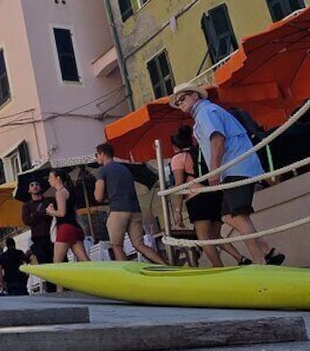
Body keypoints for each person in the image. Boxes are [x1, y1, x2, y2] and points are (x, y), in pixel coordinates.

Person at [170, 83, 285, 265]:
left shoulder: (205, 112)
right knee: (227, 215)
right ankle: (267, 251)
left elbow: (217, 139)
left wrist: (215, 170)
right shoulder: (206, 113)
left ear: (195, 96)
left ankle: (260, 261)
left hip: (235, 167)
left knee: (238, 215)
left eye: (182, 99)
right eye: (177, 102)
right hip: (235, 168)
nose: (180, 104)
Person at [170, 125, 251, 267]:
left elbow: (179, 185)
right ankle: (240, 258)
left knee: (204, 238)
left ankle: (218, 267)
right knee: (215, 235)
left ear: (175, 146)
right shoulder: (202, 152)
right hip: (214, 195)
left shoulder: (178, 158)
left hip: (196, 198)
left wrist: (177, 211)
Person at [94, 143, 167, 265]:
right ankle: (164, 265)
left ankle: (127, 274)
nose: (96, 158)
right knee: (139, 244)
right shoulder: (125, 169)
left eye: (96, 155)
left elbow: (98, 197)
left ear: (103, 154)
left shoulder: (103, 170)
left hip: (118, 211)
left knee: (117, 246)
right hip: (135, 210)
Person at [46, 169, 90, 292]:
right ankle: (95, 282)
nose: (49, 180)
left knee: (57, 262)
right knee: (84, 260)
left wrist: (51, 211)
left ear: (58, 178)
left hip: (65, 228)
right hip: (75, 228)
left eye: (51, 177)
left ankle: (60, 291)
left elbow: (61, 213)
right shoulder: (68, 191)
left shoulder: (59, 192)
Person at [21, 178, 56, 292]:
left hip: (52, 236)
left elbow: (52, 214)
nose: (35, 186)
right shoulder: (26, 206)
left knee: (57, 261)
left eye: (37, 184)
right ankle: (51, 288)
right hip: (38, 239)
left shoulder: (49, 200)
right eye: (32, 185)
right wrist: (40, 214)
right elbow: (27, 221)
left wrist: (34, 216)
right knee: (44, 264)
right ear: (29, 190)